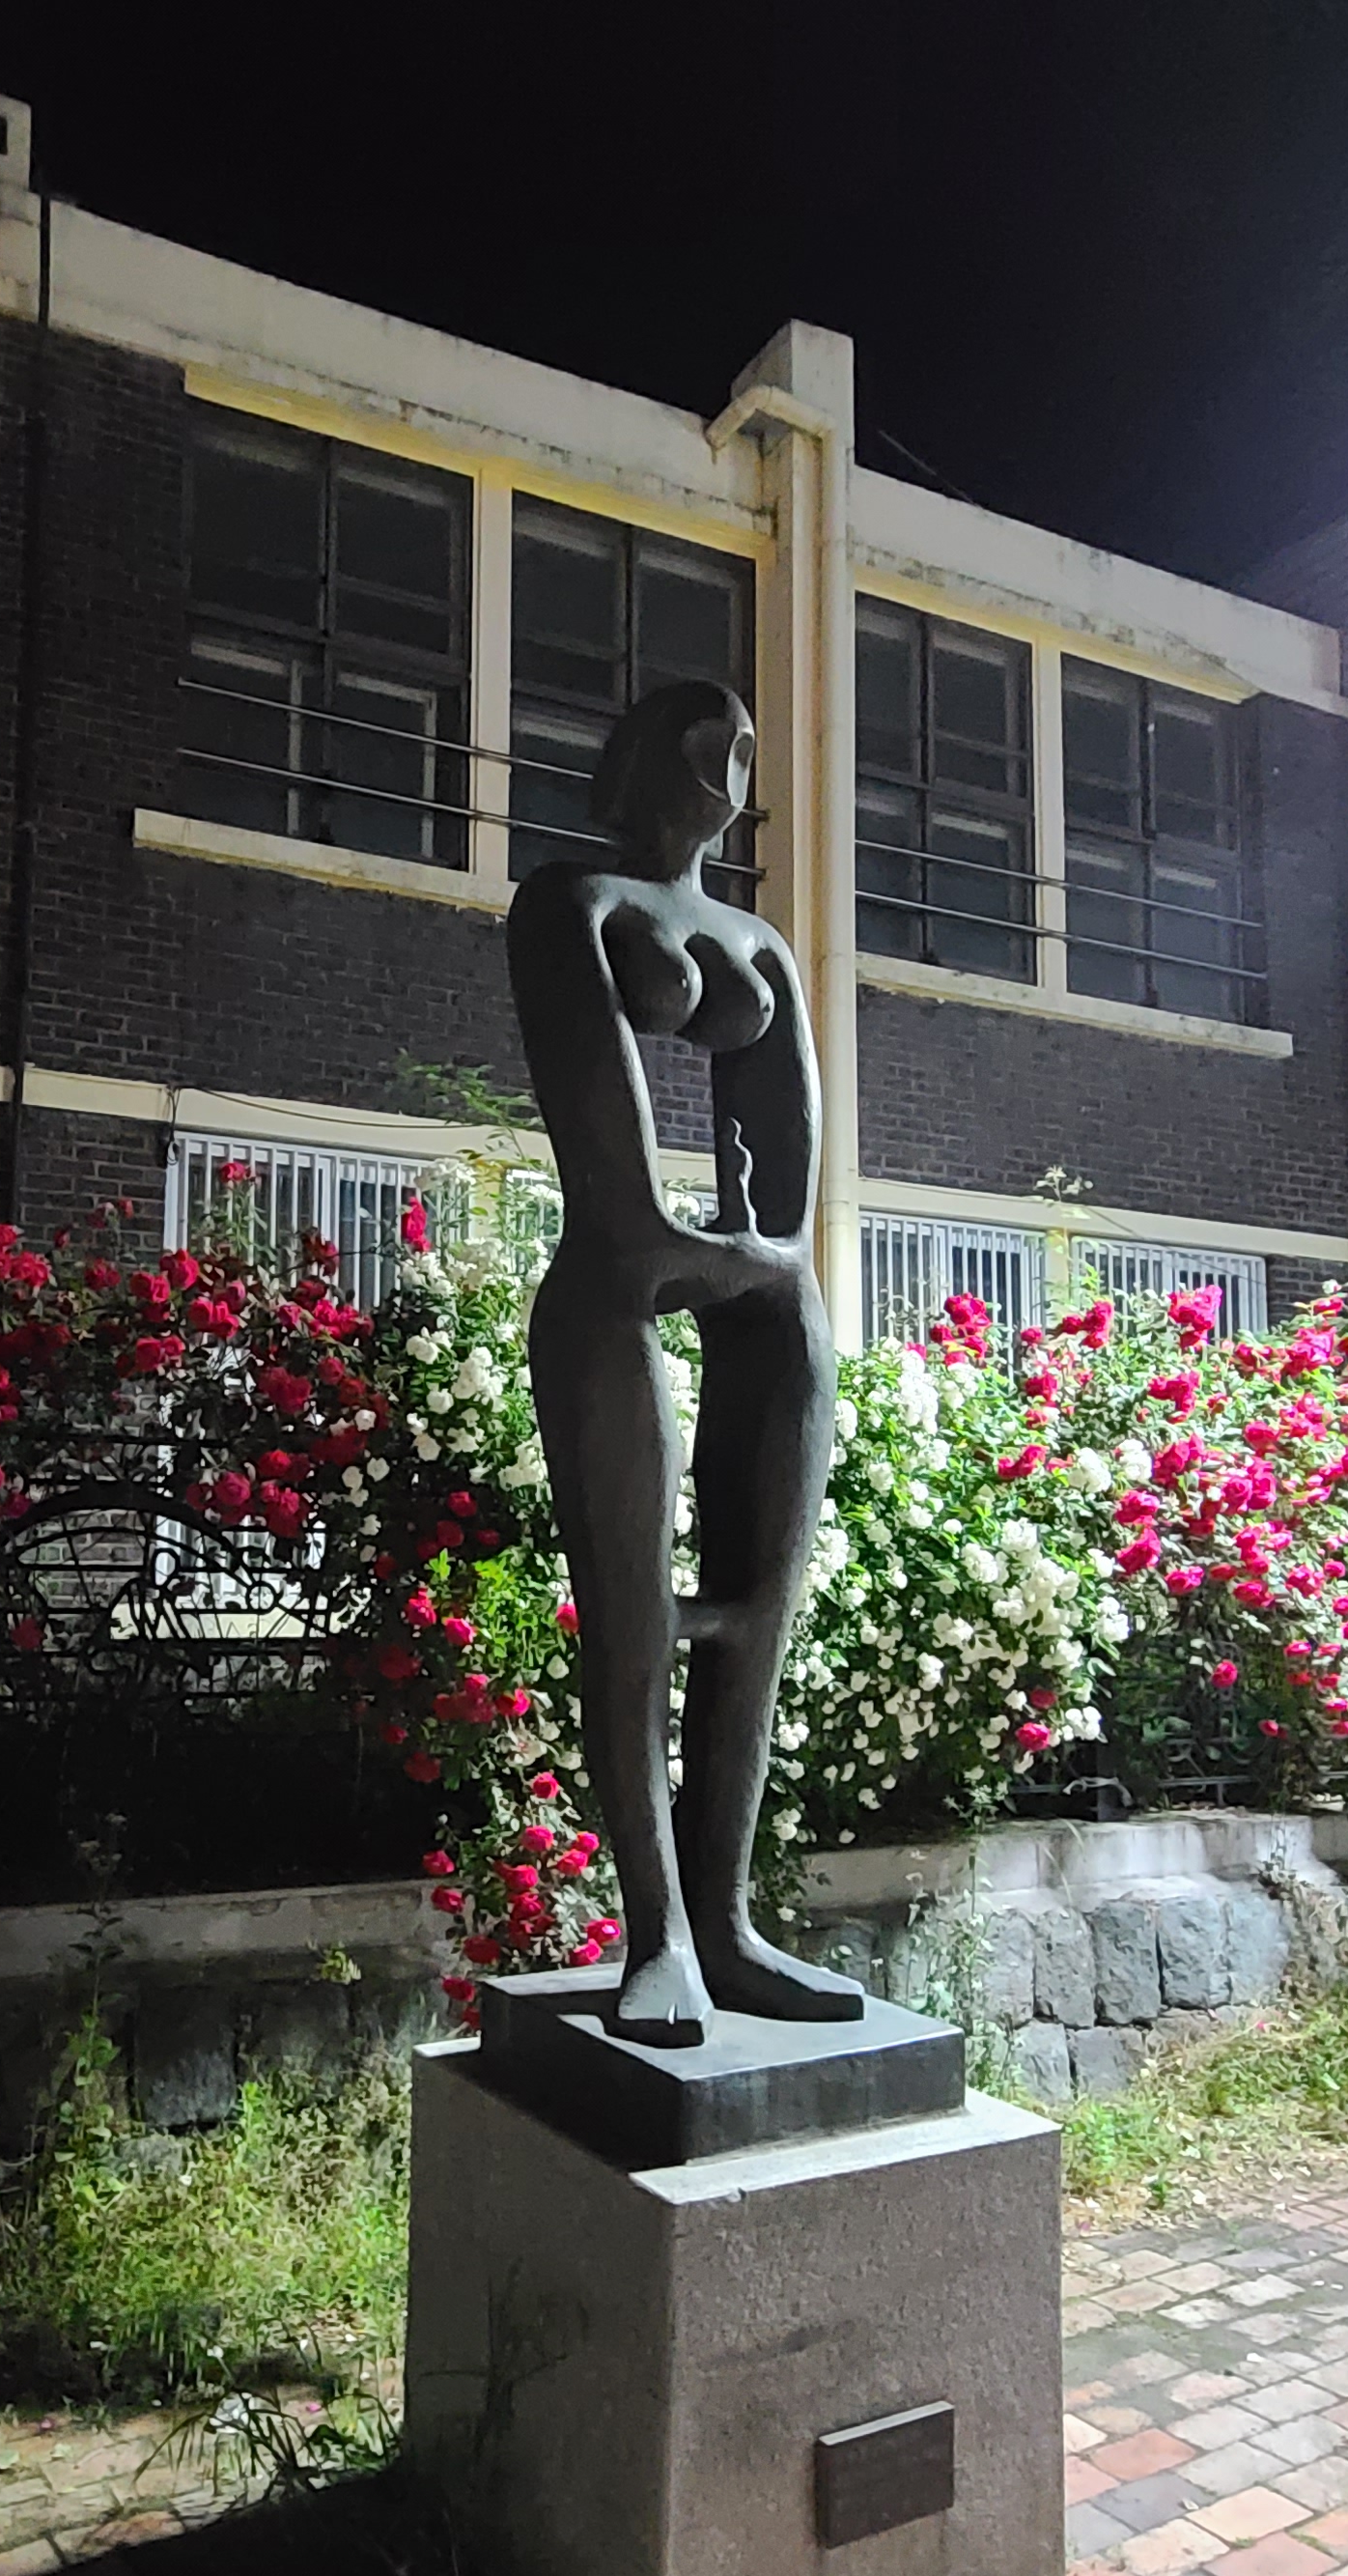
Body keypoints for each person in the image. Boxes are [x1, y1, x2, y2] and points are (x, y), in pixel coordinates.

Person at [504, 680, 865, 2046]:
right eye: (701, 741)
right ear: (640, 759)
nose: (729, 765)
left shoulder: (759, 943)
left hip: (770, 1305)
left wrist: (762, 1258)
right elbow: (618, 1187)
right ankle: (657, 1931)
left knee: (755, 1623)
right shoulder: (571, 903)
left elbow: (795, 1180)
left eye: (743, 746)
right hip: (616, 1295)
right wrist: (712, 1248)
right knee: (635, 1621)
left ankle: (726, 1921)